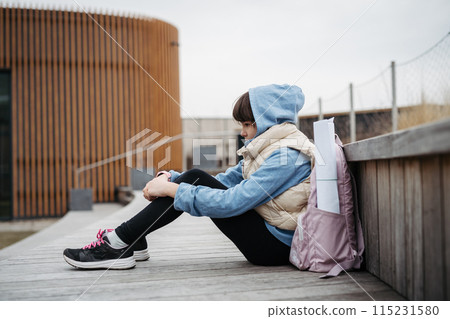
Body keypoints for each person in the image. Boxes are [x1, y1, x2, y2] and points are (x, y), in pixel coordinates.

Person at [63, 83, 315, 270]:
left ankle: (120, 242)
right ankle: (129, 240)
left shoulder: (288, 156)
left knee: (193, 178)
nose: (243, 132)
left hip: (274, 247)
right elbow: (226, 180)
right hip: (266, 232)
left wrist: (171, 189)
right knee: (193, 176)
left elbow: (232, 202)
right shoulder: (270, 148)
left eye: (247, 124)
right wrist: (171, 178)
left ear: (269, 120)